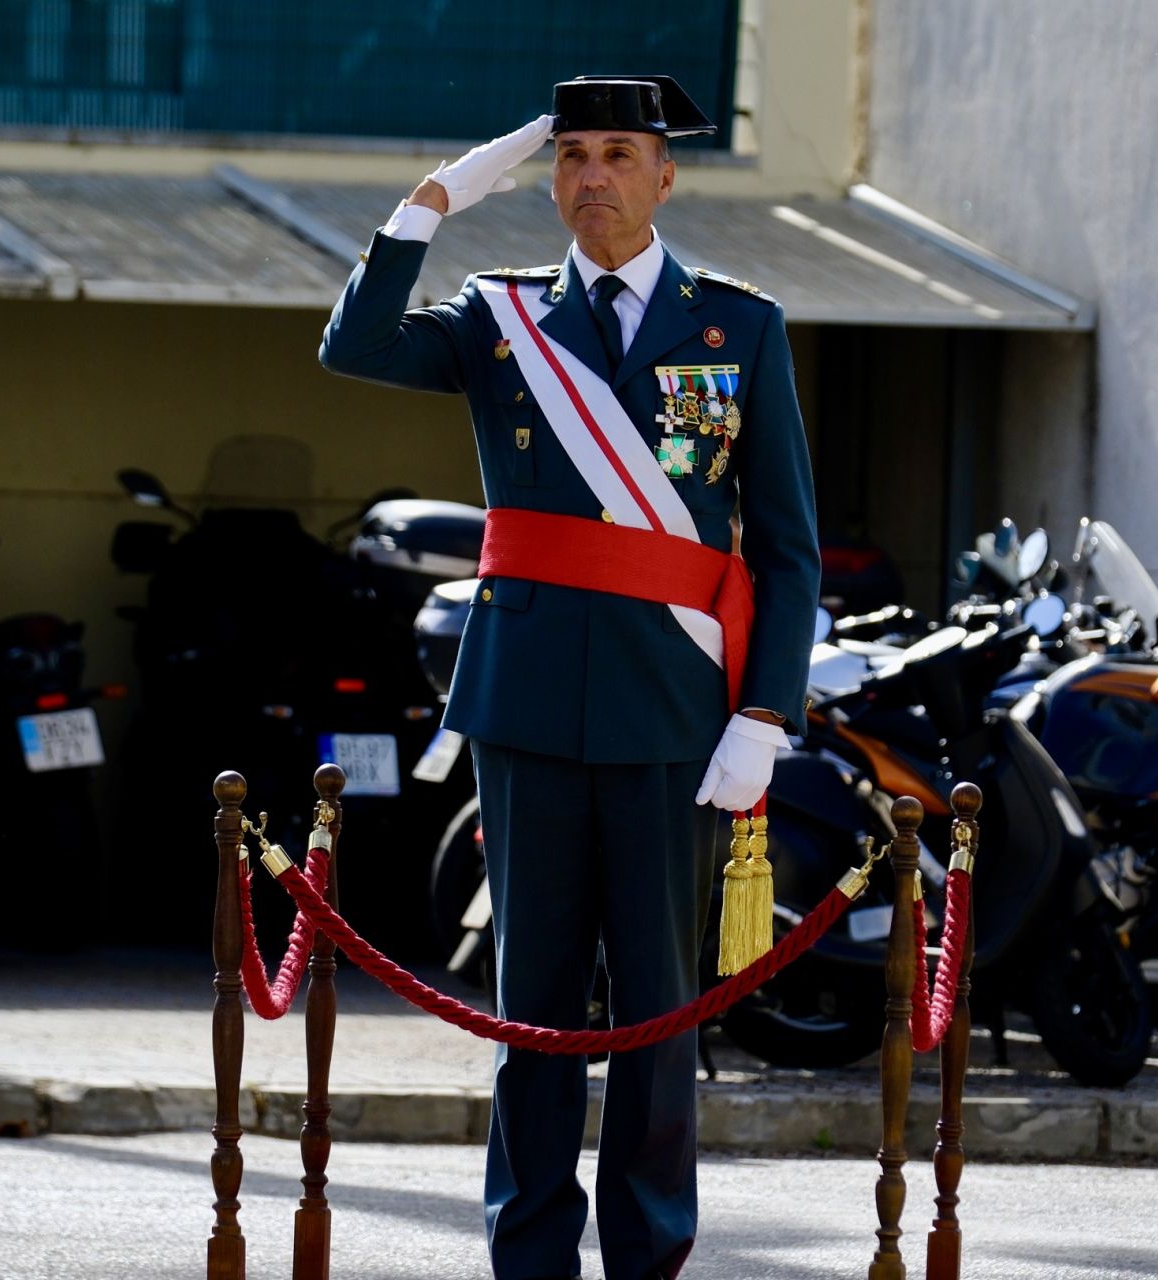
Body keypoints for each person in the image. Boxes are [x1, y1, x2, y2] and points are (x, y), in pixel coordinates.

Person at [319, 77, 820, 1277]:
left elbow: (788, 541)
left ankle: (648, 1252)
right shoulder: (502, 321)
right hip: (532, 705)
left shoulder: (737, 326)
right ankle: (529, 1252)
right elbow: (357, 345)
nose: (591, 175)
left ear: (665, 176)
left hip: (672, 709)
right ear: (545, 179)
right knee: (529, 1010)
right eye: (571, 157)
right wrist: (434, 203)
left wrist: (765, 710)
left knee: (658, 1010)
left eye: (617, 153)